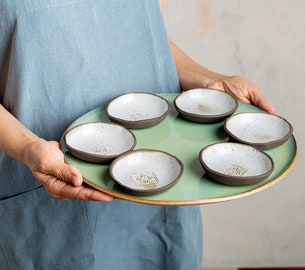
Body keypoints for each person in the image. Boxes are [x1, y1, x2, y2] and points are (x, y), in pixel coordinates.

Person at [0, 0, 275, 269]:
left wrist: (209, 80)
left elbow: (149, 36)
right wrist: (27, 147)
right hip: (50, 187)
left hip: (160, 182)